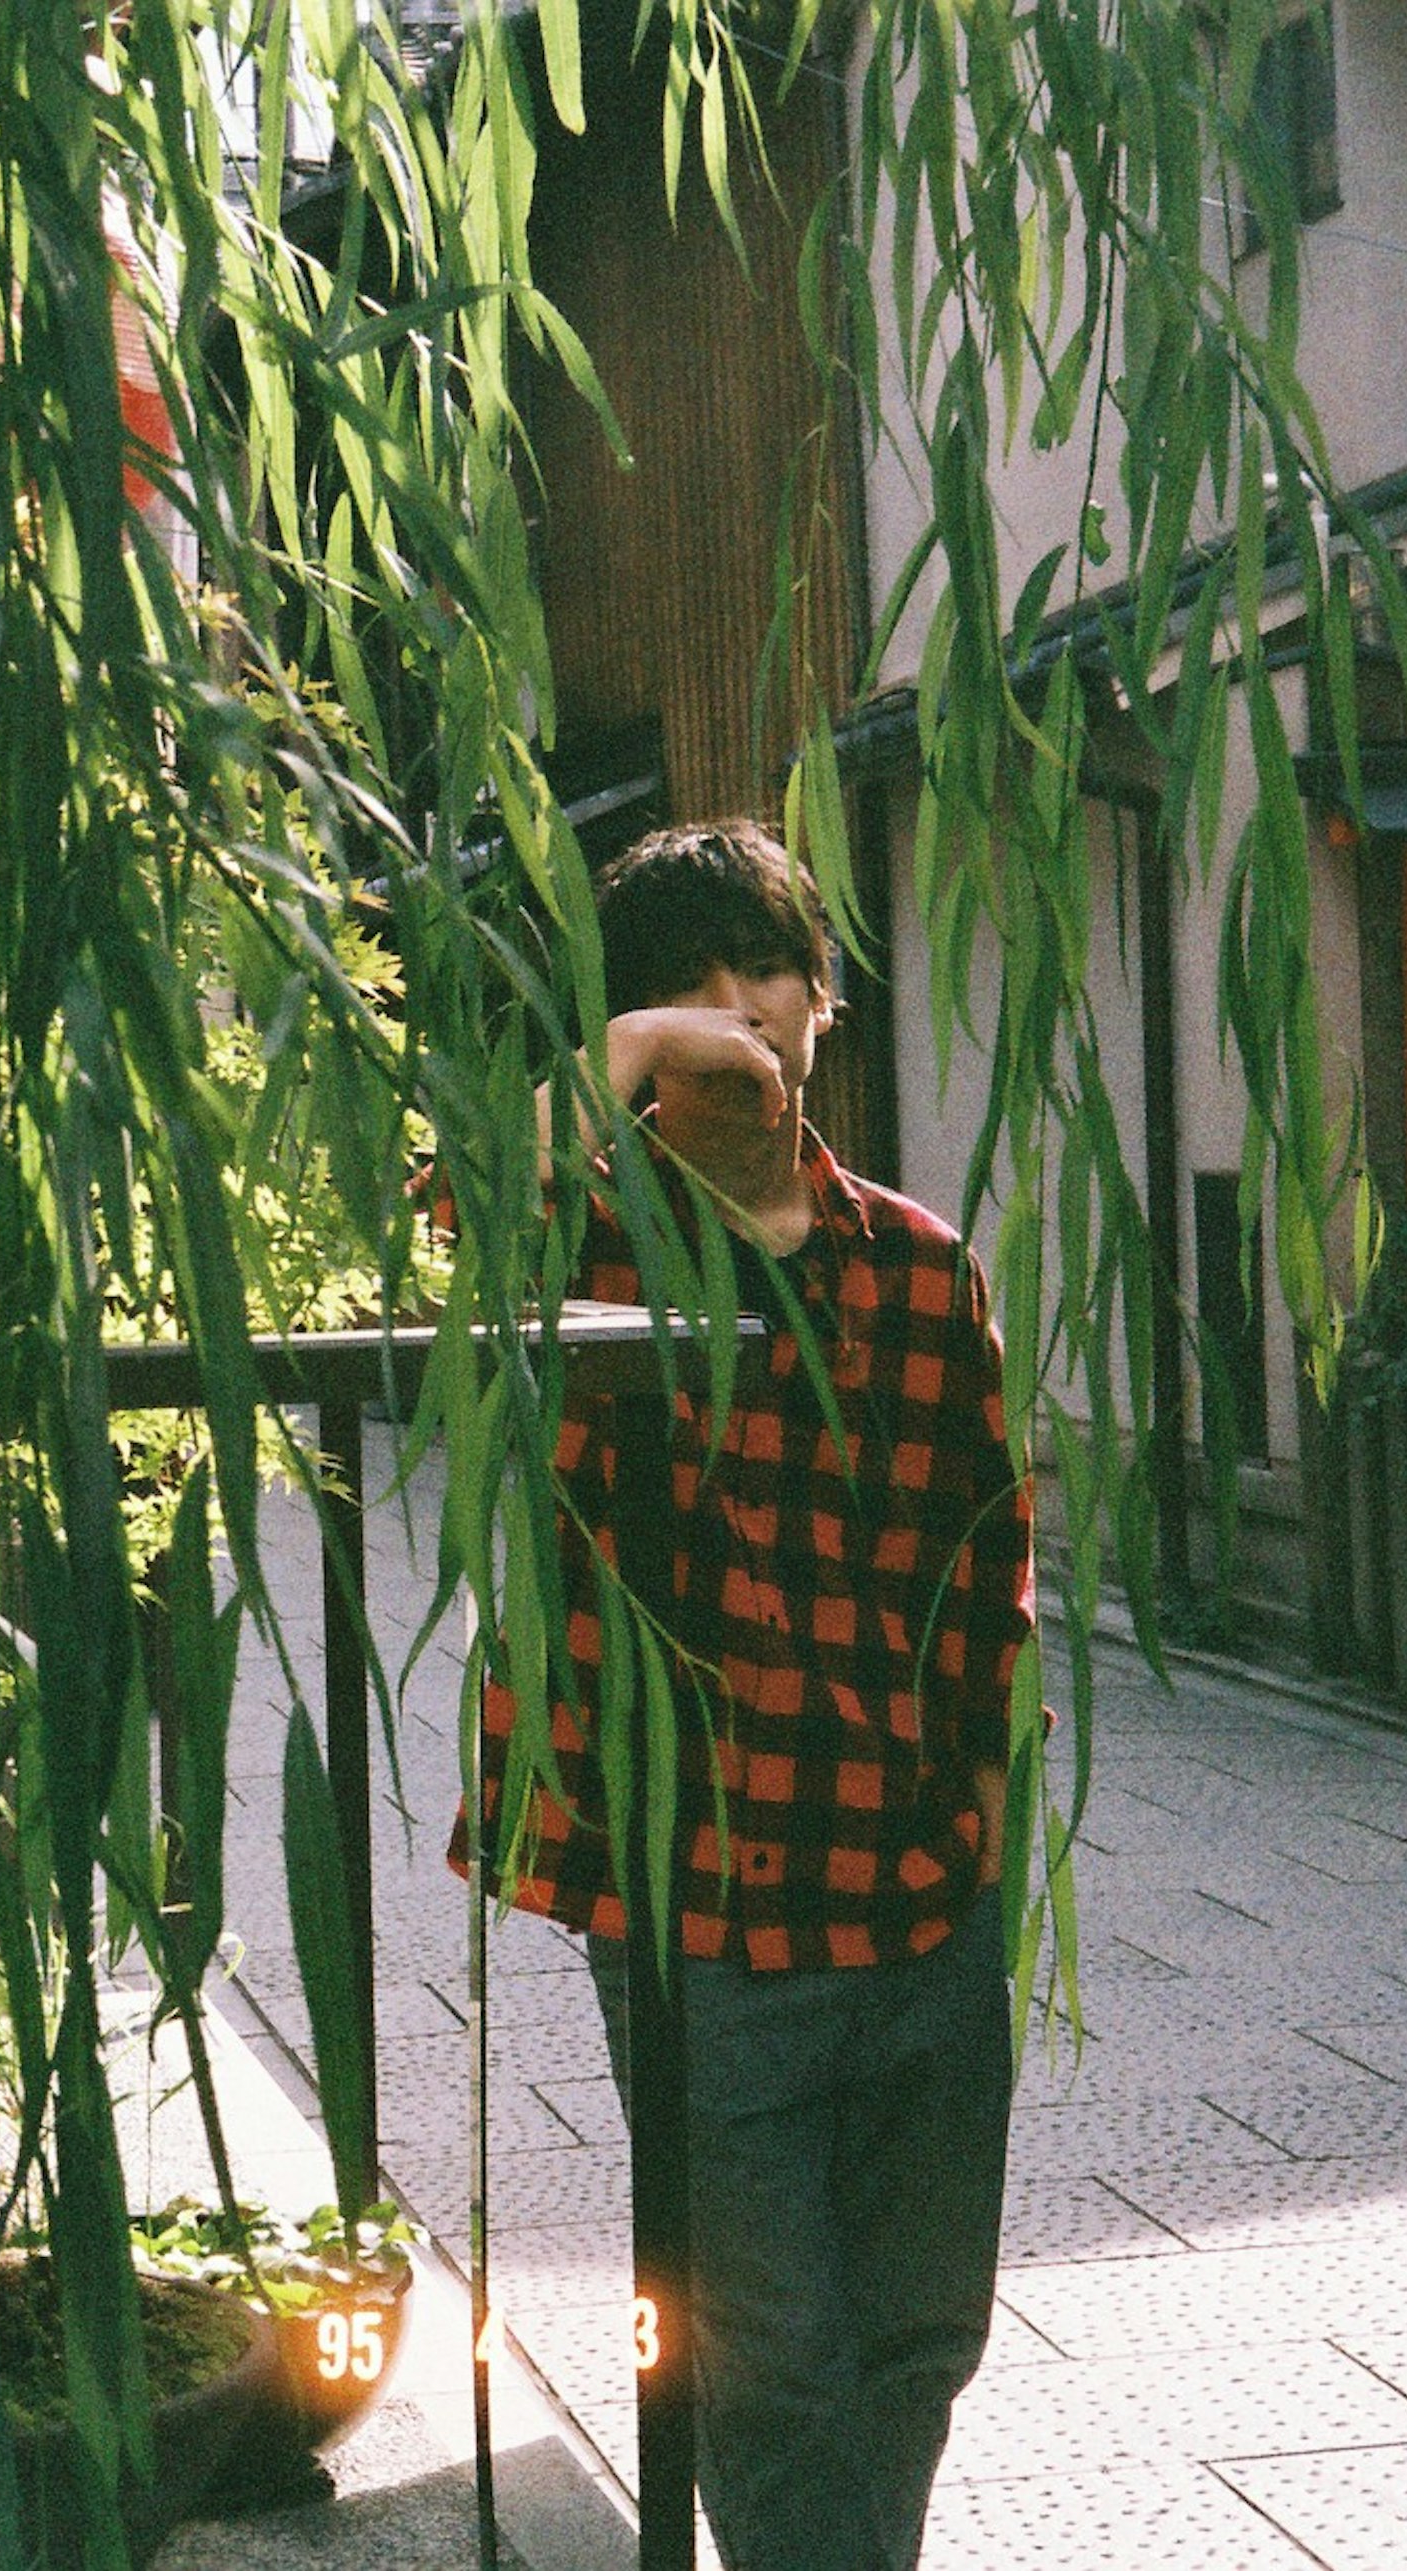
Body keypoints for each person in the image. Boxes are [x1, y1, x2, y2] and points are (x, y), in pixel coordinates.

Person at [449, 817, 1036, 2571]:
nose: (741, 1016)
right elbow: (466, 1198)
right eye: (689, 988)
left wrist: (987, 1816)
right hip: (700, 1908)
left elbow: (986, 1564)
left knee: (923, 2336)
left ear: (828, 997)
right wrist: (630, 1057)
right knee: (770, 2361)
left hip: (920, 1888)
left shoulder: (923, 1270)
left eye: (768, 970)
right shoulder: (581, 1257)